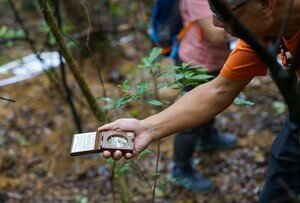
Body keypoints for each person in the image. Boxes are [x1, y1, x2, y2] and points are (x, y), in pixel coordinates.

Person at [99, 0, 300, 202]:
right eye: (213, 11)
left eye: (222, 14)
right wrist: (147, 128)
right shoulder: (264, 33)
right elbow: (219, 89)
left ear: (266, 6)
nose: (215, 23)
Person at [168, 0, 236, 193]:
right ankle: (180, 169)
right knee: (190, 121)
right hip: (195, 63)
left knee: (211, 103)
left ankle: (207, 138)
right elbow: (214, 34)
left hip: (216, 60)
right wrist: (252, 27)